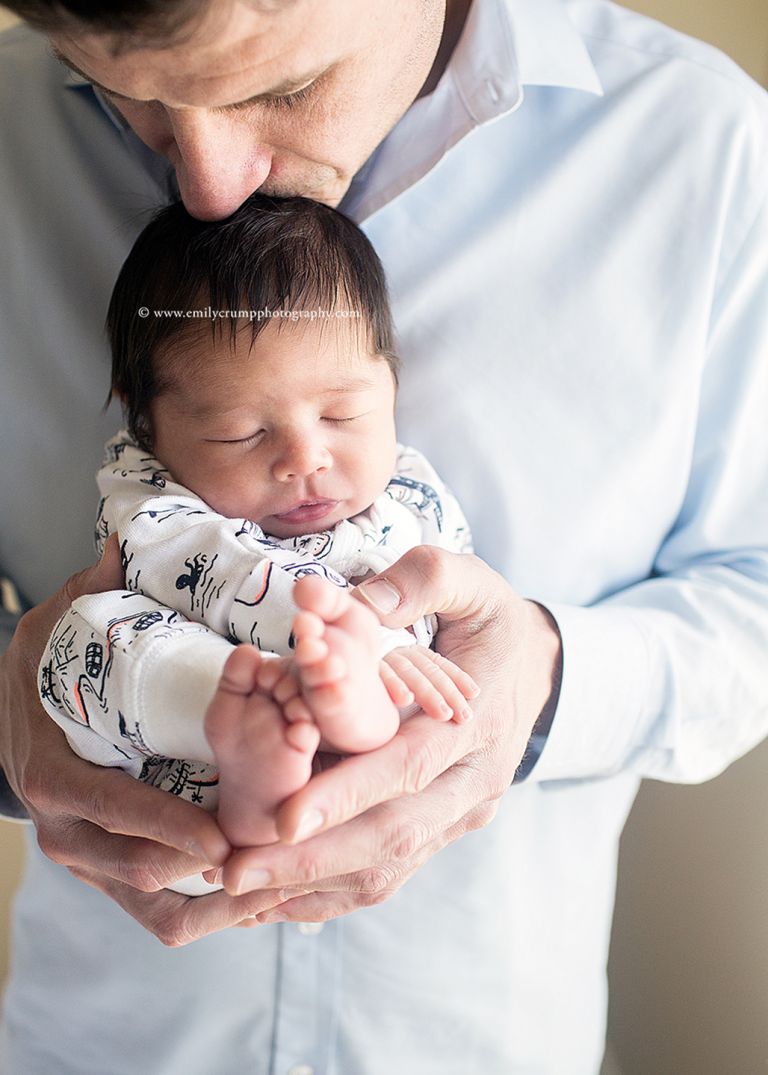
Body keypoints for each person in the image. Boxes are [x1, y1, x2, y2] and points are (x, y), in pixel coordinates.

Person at [1, 1, 767, 1072]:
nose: (209, 185)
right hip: (99, 1040)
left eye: (283, 87)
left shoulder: (706, 153)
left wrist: (544, 685)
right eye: (133, 97)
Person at [39, 193, 477, 878]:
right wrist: (328, 635)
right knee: (86, 631)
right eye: (240, 432)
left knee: (426, 650)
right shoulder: (148, 490)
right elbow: (202, 567)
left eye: (343, 413)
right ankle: (240, 726)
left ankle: (351, 715)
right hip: (174, 798)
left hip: (377, 790)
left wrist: (397, 644)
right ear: (146, 420)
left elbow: (460, 606)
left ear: (390, 382)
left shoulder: (411, 491)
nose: (305, 458)